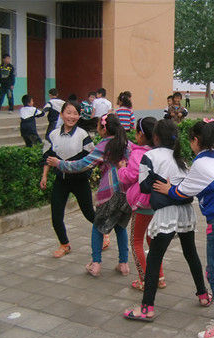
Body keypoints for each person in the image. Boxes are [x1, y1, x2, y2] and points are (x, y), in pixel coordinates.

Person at [154, 119, 214, 338]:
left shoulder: (201, 164)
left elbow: (183, 192)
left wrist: (167, 188)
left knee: (213, 272)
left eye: (191, 139)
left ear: (196, 140)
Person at [123, 119, 211, 321]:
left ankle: (147, 308)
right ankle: (203, 295)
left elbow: (144, 186)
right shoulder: (180, 158)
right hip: (185, 211)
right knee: (191, 254)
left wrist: (157, 180)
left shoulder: (149, 156)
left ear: (155, 137)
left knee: (154, 258)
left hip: (166, 213)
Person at [47, 114, 131, 277]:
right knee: (120, 227)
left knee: (98, 226)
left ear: (104, 129)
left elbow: (82, 165)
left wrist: (59, 164)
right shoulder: (126, 144)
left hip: (110, 192)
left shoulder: (104, 145)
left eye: (99, 126)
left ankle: (96, 264)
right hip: (127, 192)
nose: (97, 129)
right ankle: (124, 264)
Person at [41, 101, 95, 258]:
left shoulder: (83, 135)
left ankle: (104, 232)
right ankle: (64, 244)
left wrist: (69, 165)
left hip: (79, 181)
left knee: (89, 213)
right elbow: (47, 157)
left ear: (79, 116)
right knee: (56, 215)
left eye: (75, 113)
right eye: (68, 112)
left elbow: (91, 160)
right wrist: (44, 175)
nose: (71, 116)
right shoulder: (53, 135)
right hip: (61, 180)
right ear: (61, 114)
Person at [117, 117, 166, 291]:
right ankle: (159, 277)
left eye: (137, 132)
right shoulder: (162, 152)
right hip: (158, 202)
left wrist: (121, 167)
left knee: (136, 241)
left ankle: (145, 280)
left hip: (142, 204)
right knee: (152, 240)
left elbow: (129, 176)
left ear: (141, 135)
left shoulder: (138, 154)